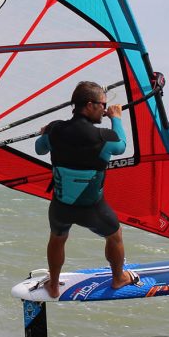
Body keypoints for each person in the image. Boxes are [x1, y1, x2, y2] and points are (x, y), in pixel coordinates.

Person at [34, 81, 139, 299]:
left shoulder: (55, 129)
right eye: (102, 104)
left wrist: (45, 132)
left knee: (57, 237)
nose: (104, 108)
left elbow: (39, 148)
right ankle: (118, 278)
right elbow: (120, 145)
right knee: (114, 234)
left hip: (60, 207)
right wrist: (116, 118)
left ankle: (53, 285)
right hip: (92, 208)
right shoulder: (103, 137)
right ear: (90, 105)